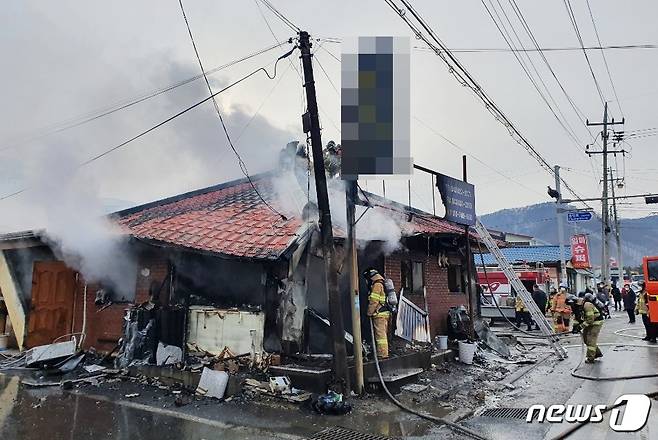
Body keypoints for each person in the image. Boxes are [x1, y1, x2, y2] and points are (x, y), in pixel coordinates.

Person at [568, 293, 604, 363]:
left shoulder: (587, 305)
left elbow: (590, 319)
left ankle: (591, 358)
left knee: (590, 340)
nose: (570, 306)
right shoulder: (576, 307)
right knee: (585, 339)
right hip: (588, 323)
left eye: (570, 304)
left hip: (596, 323)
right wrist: (575, 327)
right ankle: (597, 353)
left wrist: (580, 327)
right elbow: (577, 318)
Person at [364, 268, 391, 358]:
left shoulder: (377, 285)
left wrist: (369, 312)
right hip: (384, 313)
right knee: (383, 335)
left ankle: (382, 355)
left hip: (379, 314)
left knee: (380, 336)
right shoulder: (381, 283)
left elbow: (374, 301)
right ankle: (382, 353)